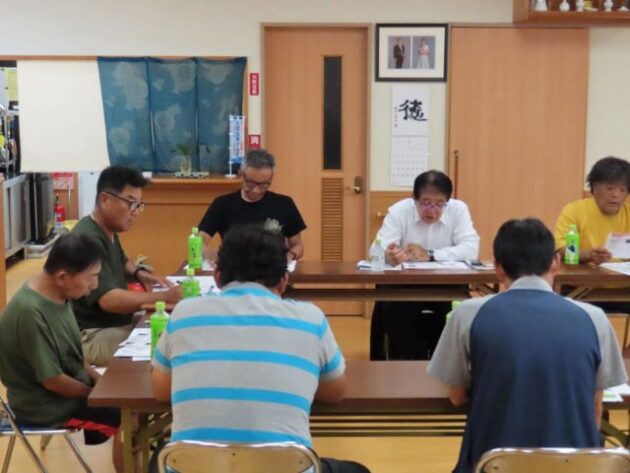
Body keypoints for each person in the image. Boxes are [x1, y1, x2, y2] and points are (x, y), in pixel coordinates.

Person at [151, 224, 370, 473]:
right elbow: (334, 392)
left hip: (196, 467)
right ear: (284, 281)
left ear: (218, 276)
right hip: (285, 467)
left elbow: (161, 391)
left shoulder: (184, 313)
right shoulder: (311, 319)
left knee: (160, 457)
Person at [428, 218, 627, 473]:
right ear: (555, 261)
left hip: (493, 464)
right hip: (575, 466)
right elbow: (595, 404)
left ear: (498, 268)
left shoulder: (467, 314)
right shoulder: (594, 317)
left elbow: (456, 397)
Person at [0, 234, 126, 472]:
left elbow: (75, 355)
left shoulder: (60, 294)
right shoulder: (30, 313)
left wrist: (101, 383)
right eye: (91, 277)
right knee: (129, 418)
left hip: (66, 393)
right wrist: (96, 395)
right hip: (46, 407)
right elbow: (53, 381)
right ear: (62, 277)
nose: (94, 285)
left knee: (127, 399)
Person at [72, 165, 181, 366]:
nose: (135, 212)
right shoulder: (88, 238)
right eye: (130, 203)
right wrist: (164, 296)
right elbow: (109, 300)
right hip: (93, 334)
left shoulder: (107, 230)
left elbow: (122, 260)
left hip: (115, 323)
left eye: (139, 205)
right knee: (162, 348)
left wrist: (139, 274)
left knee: (172, 333)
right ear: (105, 200)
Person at [370, 170, 480, 360]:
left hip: (447, 284)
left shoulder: (458, 210)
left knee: (456, 313)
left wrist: (431, 255)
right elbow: (375, 250)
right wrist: (389, 255)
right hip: (404, 285)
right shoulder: (400, 210)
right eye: (426, 203)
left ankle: (443, 361)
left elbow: (471, 249)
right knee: (396, 314)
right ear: (414, 198)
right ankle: (410, 362)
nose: (432, 210)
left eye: (439, 204)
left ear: (448, 201)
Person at [198, 148, 306, 262]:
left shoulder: (284, 204)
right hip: (234, 268)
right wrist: (206, 252)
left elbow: (298, 246)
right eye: (250, 184)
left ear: (271, 179)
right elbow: (199, 240)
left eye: (264, 185)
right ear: (241, 175)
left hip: (272, 268)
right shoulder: (222, 204)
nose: (256, 190)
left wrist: (290, 255)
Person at [554, 156, 630, 265]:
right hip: (583, 274)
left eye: (622, 190)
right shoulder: (574, 210)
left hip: (621, 274)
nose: (616, 195)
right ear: (594, 187)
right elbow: (561, 249)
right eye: (610, 188)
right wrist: (589, 255)